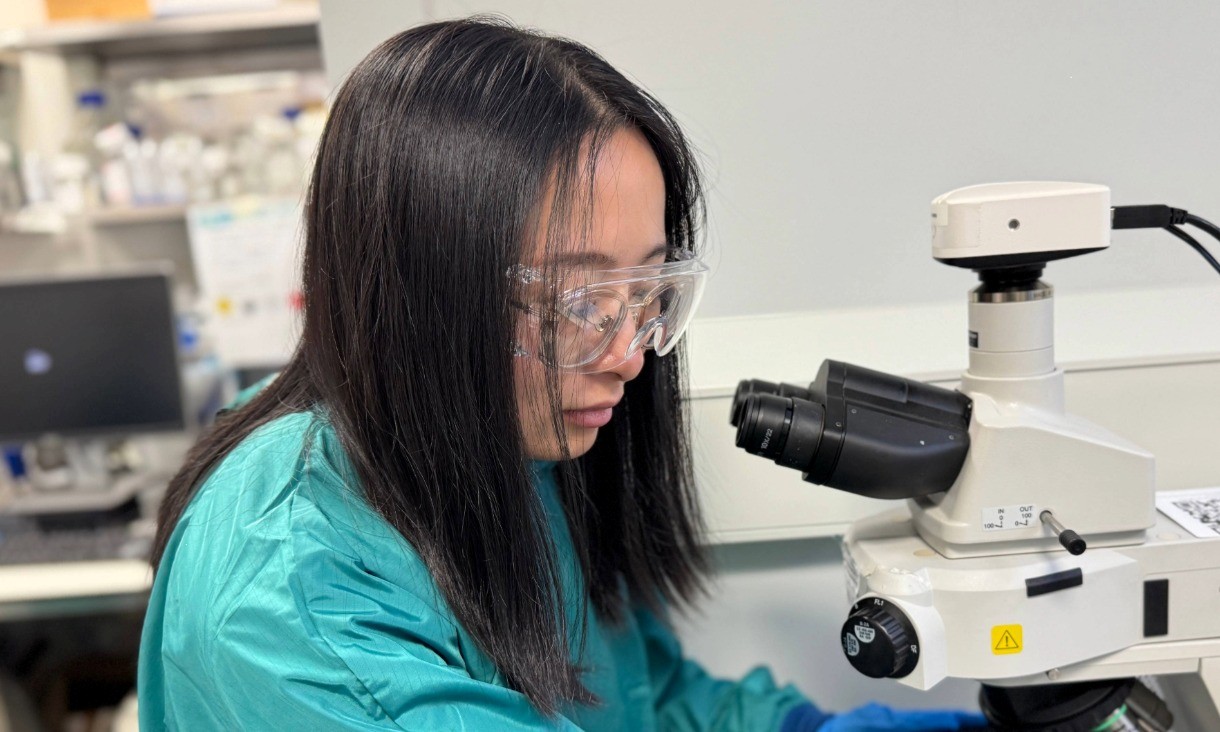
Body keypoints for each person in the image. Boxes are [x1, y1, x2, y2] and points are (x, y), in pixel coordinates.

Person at [138, 18, 987, 732]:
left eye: (646, 291)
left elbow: (641, 705)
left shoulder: (501, 444)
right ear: (418, 292)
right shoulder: (293, 600)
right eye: (575, 302)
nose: (627, 353)